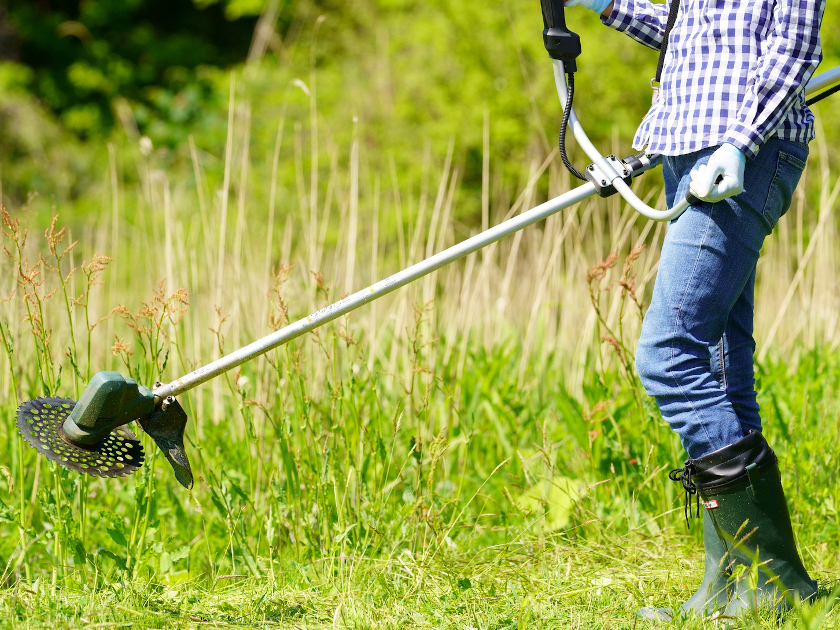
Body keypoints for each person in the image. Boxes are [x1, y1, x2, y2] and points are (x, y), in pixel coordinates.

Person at [563, 0, 826, 619]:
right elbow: (692, 34)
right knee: (719, 366)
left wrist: (739, 142)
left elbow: (792, 49)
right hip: (686, 154)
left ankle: (773, 577)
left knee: (668, 353)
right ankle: (735, 583)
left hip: (742, 155)